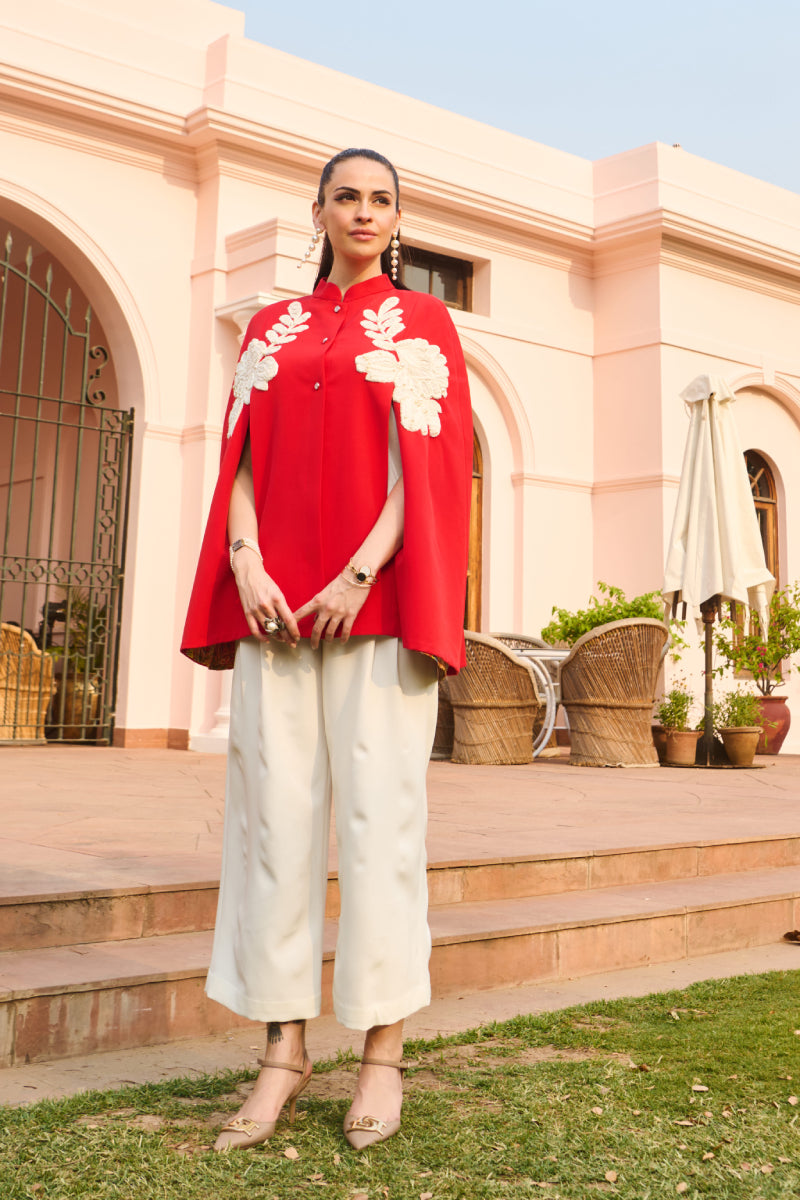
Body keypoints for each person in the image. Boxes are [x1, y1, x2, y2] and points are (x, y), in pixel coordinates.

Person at [182, 147, 473, 1152]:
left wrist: (357, 572)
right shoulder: (273, 325)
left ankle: (382, 1054)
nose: (362, 211)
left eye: (380, 199)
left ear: (399, 219)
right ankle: (281, 1053)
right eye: (344, 196)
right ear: (317, 210)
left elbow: (427, 463)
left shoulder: (420, 321)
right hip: (272, 612)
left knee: (379, 827)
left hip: (374, 610)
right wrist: (245, 559)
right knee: (273, 826)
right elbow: (241, 455)